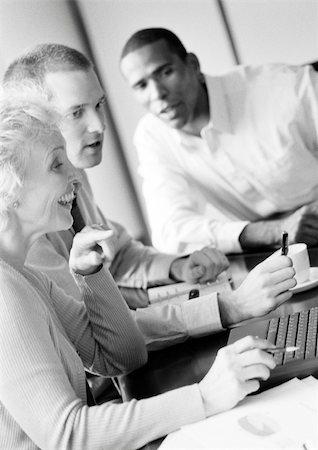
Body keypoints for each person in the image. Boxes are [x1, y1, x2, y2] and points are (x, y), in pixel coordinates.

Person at [0, 86, 278, 450]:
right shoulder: (5, 290)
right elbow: (67, 435)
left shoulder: (24, 275)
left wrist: (91, 274)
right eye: (57, 164)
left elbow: (121, 355)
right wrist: (206, 396)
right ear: (8, 190)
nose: (75, 175)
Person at [3, 44, 296, 356]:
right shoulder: (25, 223)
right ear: (32, 121)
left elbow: (118, 255)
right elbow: (100, 333)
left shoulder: (73, 177)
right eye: (76, 112)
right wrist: (230, 307)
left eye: (99, 105)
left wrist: (177, 267)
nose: (99, 125)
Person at [119, 27, 318, 255]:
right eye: (141, 86)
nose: (157, 94)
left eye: (165, 73)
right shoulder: (153, 136)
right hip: (274, 252)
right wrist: (274, 231)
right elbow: (170, 231)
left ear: (192, 65)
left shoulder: (285, 87)